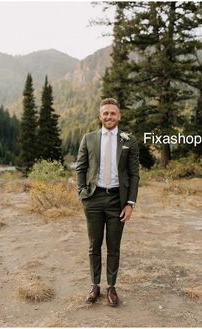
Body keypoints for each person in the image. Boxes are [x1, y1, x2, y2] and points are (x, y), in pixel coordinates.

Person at [76, 98, 139, 307]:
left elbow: (134, 174)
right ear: (100, 116)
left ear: (119, 116)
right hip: (93, 199)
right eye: (105, 113)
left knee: (114, 246)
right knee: (94, 245)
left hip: (117, 201)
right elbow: (81, 168)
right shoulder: (89, 138)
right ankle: (95, 285)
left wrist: (130, 203)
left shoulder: (129, 140)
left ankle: (111, 287)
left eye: (113, 113)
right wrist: (82, 193)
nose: (109, 117)